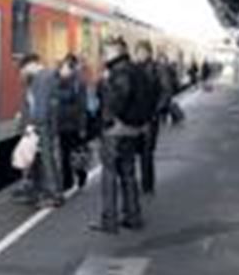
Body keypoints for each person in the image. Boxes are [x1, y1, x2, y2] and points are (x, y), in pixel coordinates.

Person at [91, 37, 149, 233]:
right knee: (129, 173)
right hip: (133, 130)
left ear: (115, 52)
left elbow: (115, 99)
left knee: (109, 175)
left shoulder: (119, 72)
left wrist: (107, 121)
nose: (103, 57)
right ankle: (133, 217)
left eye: (106, 52)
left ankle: (109, 220)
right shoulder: (136, 69)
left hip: (117, 130)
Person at [17, 53, 63, 208]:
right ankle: (42, 192)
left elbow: (41, 106)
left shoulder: (42, 78)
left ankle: (54, 194)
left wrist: (34, 125)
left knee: (46, 160)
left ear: (31, 64)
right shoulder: (43, 77)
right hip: (42, 125)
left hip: (42, 126)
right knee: (40, 160)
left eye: (24, 69)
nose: (24, 73)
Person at [131, 40, 163, 195]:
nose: (140, 55)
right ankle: (140, 183)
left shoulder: (157, 69)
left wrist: (155, 112)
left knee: (147, 153)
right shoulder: (134, 69)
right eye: (138, 52)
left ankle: (147, 185)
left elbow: (166, 91)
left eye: (143, 52)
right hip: (136, 119)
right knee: (136, 152)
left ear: (149, 52)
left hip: (150, 118)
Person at [56, 54, 89, 192]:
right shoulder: (58, 81)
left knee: (75, 153)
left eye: (65, 66)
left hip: (74, 124)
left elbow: (82, 106)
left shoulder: (78, 83)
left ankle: (81, 174)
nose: (62, 69)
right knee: (64, 154)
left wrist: (82, 127)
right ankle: (67, 181)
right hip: (62, 123)